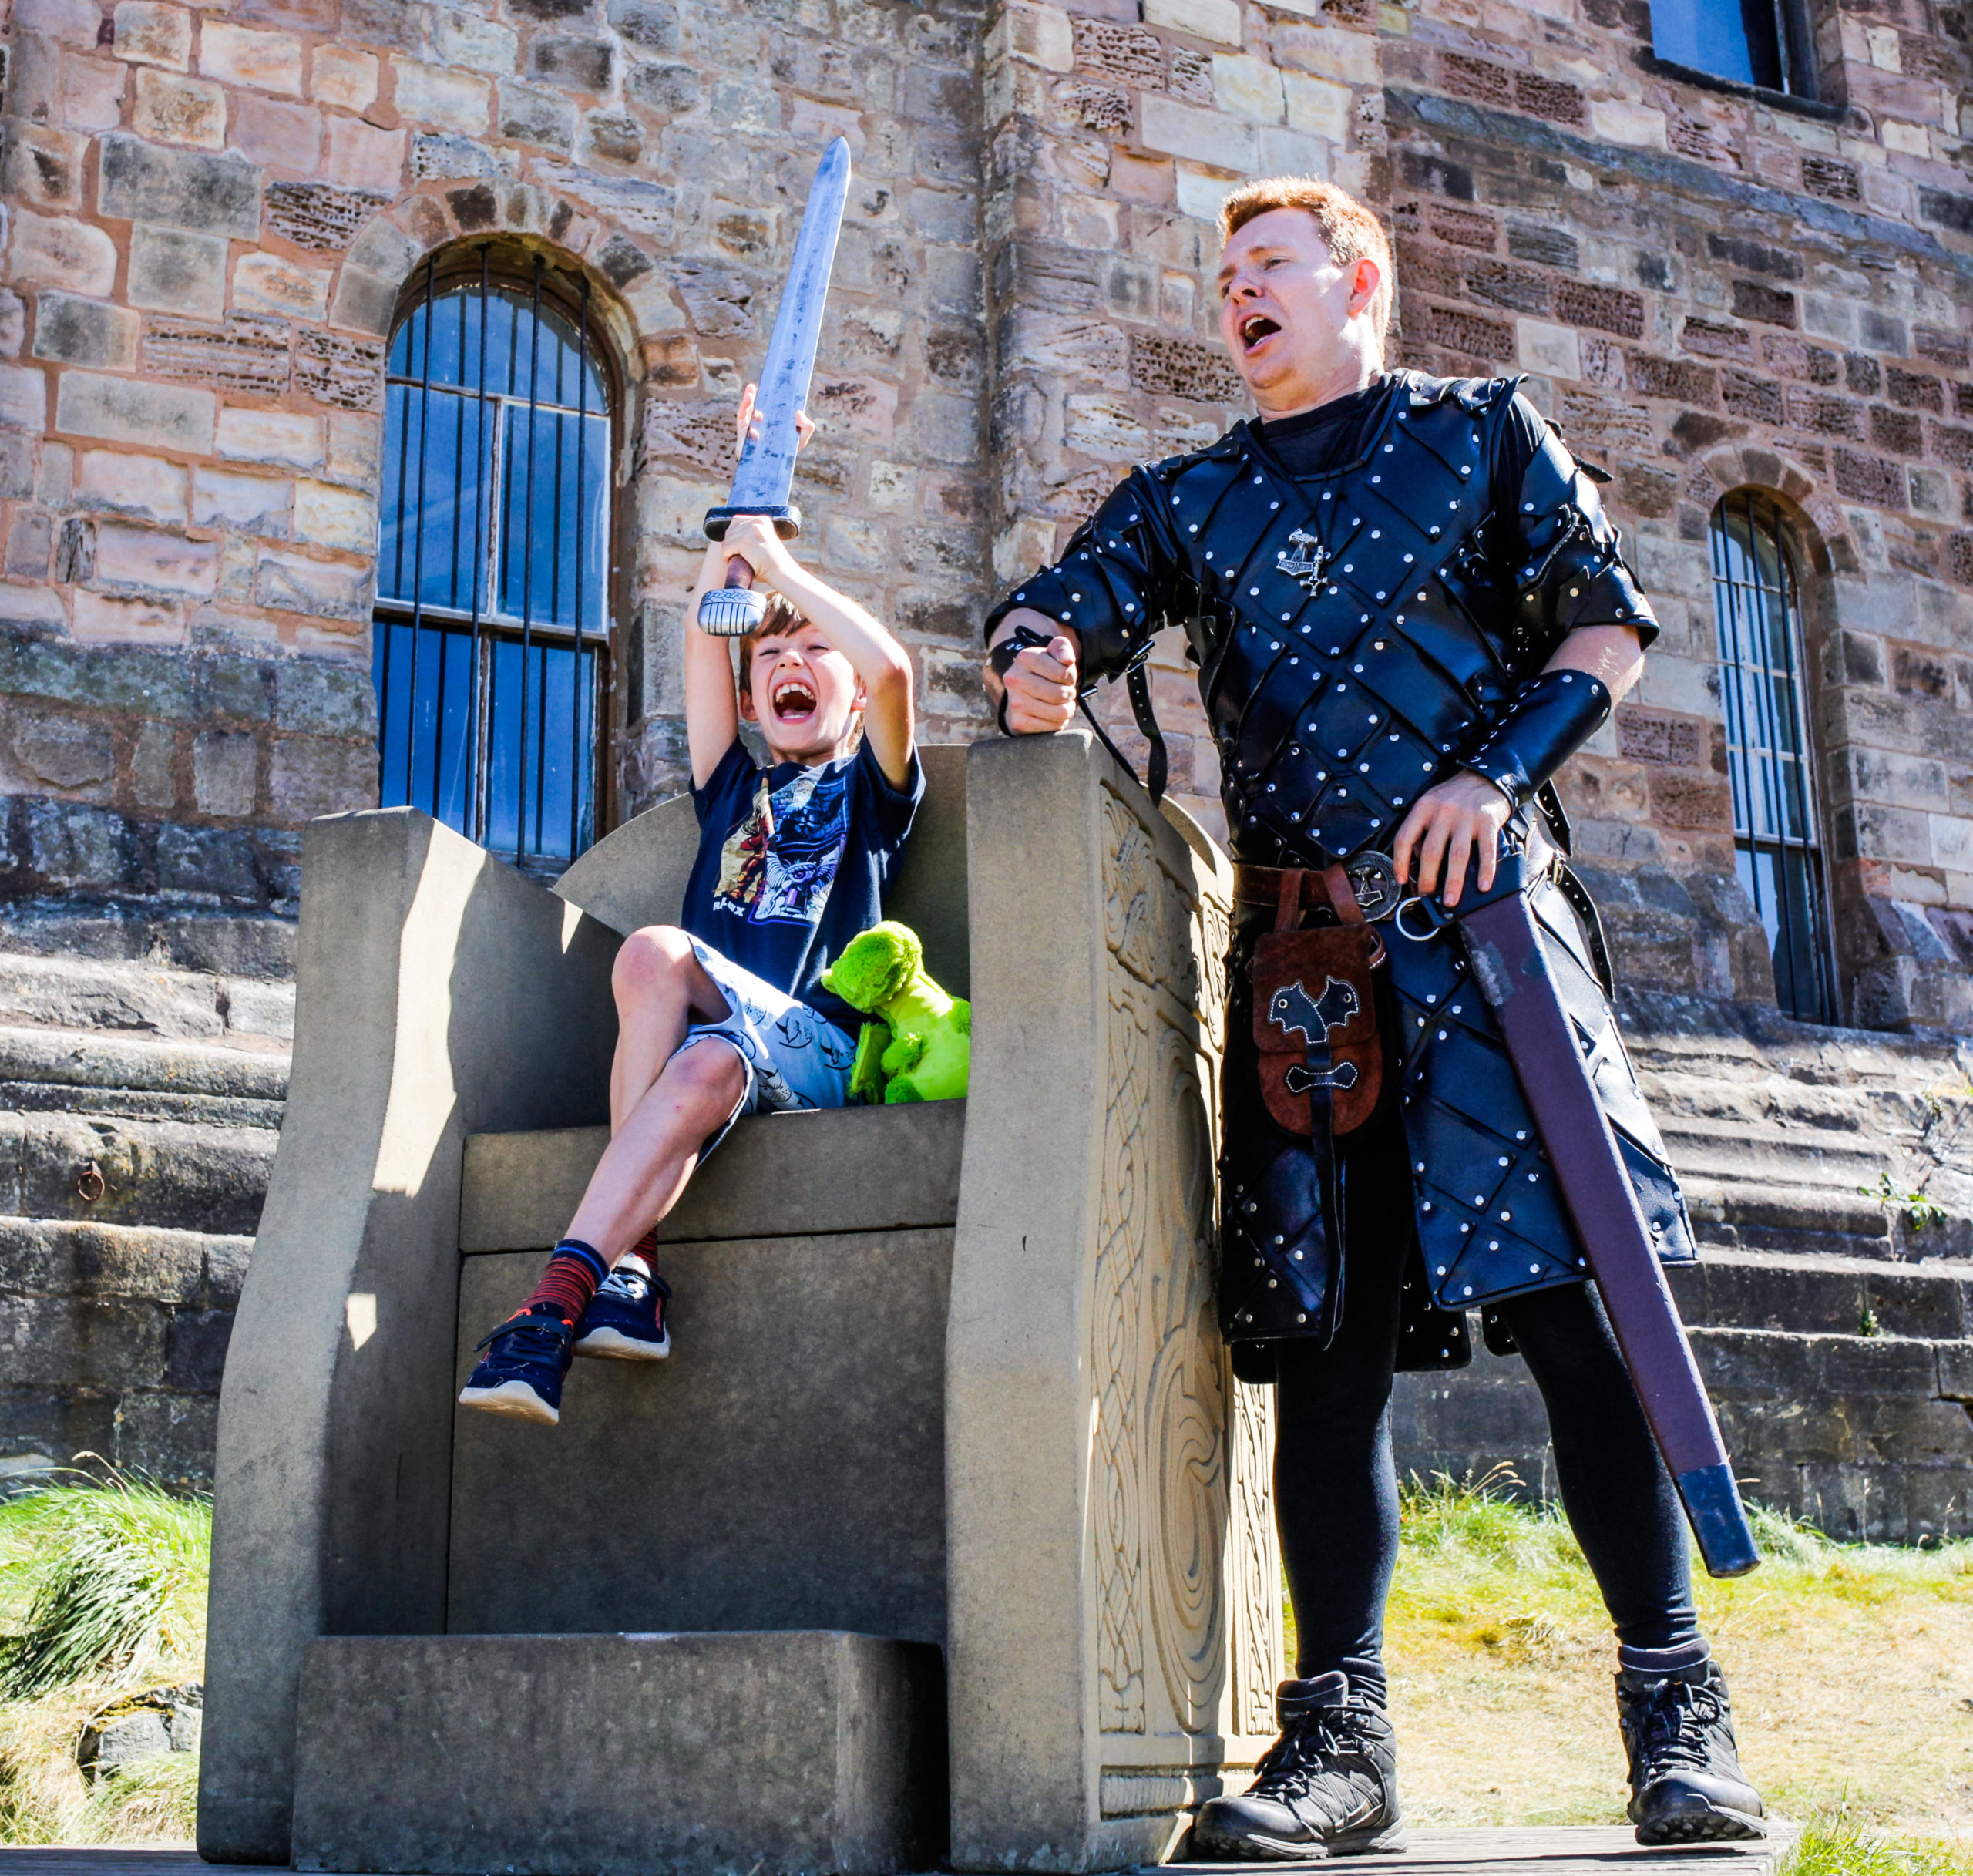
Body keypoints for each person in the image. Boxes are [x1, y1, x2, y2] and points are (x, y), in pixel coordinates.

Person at [983, 176, 1766, 1856]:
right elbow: (1066, 597)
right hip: (1303, 975)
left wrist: (1493, 777)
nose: (1235, 293)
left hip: (1485, 946)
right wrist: (1034, 652)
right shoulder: (1188, 498)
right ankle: (1339, 1751)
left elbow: (1605, 626)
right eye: (1223, 276)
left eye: (1266, 265)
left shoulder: (1480, 436)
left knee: (1575, 1319)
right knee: (1323, 1356)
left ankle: (1676, 1715)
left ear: (1355, 283)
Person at [460, 392, 921, 1427]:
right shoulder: (732, 786)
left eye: (816, 654)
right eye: (771, 660)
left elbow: (894, 667)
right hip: (720, 1044)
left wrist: (780, 563)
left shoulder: (874, 793)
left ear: (849, 695)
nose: (791, 664)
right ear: (751, 700)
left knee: (672, 966)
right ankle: (607, 1288)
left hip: (820, 1046)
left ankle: (576, 1282)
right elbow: (701, 626)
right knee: (661, 978)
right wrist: (748, 486)